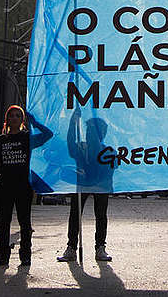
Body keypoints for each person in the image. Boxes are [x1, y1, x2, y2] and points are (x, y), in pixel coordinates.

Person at [0, 105, 52, 267]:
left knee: (25, 222)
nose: (15, 118)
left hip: (23, 185)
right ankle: (3, 255)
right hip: (5, 185)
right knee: (4, 222)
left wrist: (35, 123)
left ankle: (25, 255)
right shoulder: (0, 140)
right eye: (12, 116)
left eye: (18, 115)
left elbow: (48, 134)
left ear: (22, 119)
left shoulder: (27, 138)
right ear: (7, 119)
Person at [58, 109, 113, 262]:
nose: (90, 134)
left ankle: (100, 247)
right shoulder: (81, 147)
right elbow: (70, 144)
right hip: (81, 186)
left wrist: (90, 176)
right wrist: (73, 122)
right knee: (75, 214)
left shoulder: (108, 151)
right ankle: (71, 247)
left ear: (102, 134)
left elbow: (109, 170)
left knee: (101, 215)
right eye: (88, 130)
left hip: (100, 186)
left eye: (94, 131)